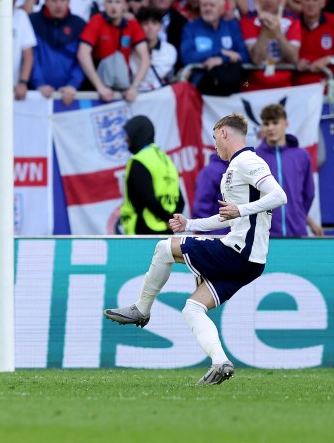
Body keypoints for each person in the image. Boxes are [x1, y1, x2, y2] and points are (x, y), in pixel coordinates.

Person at [105, 112, 289, 385]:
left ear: (225, 134)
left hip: (238, 252)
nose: (215, 145)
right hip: (249, 260)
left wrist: (241, 208)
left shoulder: (248, 161)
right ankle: (220, 363)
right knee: (192, 308)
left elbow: (279, 196)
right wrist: (190, 223)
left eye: (215, 139)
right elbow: (228, 217)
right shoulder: (235, 167)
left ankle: (141, 309)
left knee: (164, 247)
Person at [254, 103, 320, 237]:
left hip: (297, 232)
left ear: (286, 124)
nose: (270, 128)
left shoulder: (302, 156)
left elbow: (308, 194)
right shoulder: (253, 158)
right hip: (263, 235)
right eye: (266, 124)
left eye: (275, 122)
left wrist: (299, 217)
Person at [118, 115, 184, 236]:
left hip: (143, 231)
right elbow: (180, 200)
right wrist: (171, 220)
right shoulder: (165, 159)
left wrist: (167, 219)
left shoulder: (139, 161)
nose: (126, 139)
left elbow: (146, 198)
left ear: (137, 134)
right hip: (166, 231)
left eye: (128, 134)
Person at [180, 0, 249, 95]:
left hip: (234, 80)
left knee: (247, 84)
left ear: (221, 9)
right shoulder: (190, 28)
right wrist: (220, 52)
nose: (208, 9)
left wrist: (222, 59)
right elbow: (187, 57)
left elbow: (245, 56)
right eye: (204, 5)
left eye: (212, 5)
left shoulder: (232, 26)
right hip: (202, 82)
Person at [29, 0, 86, 104]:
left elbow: (83, 58)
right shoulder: (33, 21)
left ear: (68, 1)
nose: (58, 5)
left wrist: (73, 84)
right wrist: (39, 84)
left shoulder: (79, 24)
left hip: (70, 93)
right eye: (54, 0)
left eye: (62, 0)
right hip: (37, 93)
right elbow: (31, 56)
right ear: (46, 1)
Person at [193, 151, 229, 236]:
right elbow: (201, 206)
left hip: (228, 234)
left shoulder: (235, 168)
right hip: (217, 235)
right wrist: (209, 235)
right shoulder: (211, 172)